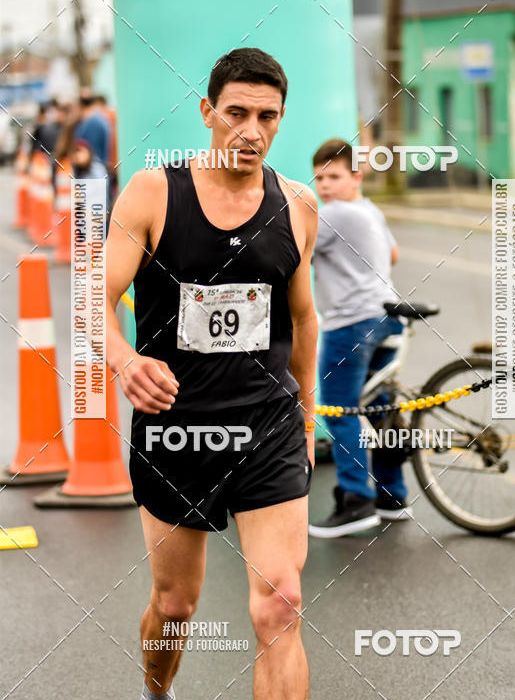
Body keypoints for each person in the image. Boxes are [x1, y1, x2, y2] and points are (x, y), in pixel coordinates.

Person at [105, 48, 318, 700]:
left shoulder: (299, 205)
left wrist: (307, 417)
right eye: (236, 113)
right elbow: (94, 301)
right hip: (178, 429)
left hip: (267, 425)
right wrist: (126, 359)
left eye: (268, 116)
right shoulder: (152, 193)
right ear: (207, 112)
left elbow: (305, 319)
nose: (251, 130)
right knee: (175, 606)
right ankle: (157, 690)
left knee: (279, 603)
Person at [308, 138, 412, 539]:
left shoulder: (332, 214)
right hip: (386, 315)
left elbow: (294, 251)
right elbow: (395, 254)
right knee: (379, 407)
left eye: (334, 176)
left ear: (356, 176)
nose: (325, 186)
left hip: (350, 323)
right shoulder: (369, 209)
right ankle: (392, 496)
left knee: (340, 410)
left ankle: (355, 502)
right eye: (319, 178)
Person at [75, 89, 110, 167]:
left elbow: (92, 150)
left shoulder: (93, 122)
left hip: (94, 170)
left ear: (80, 105)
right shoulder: (96, 119)